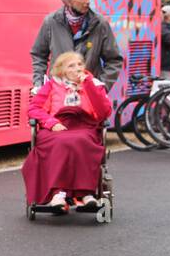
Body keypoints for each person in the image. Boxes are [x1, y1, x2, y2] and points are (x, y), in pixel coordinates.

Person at [22, 51, 112, 211]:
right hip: (57, 125)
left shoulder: (94, 84)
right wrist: (50, 122)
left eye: (80, 64)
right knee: (61, 142)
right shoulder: (51, 85)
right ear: (62, 70)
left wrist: (89, 85)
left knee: (81, 141)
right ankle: (58, 193)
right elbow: (34, 108)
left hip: (84, 125)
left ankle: (86, 194)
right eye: (72, 66)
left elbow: (104, 112)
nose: (78, 69)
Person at [30, 0, 123, 92]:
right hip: (58, 94)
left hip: (89, 96)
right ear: (68, 2)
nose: (88, 0)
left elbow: (114, 60)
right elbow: (39, 55)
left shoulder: (100, 23)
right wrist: (38, 83)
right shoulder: (51, 22)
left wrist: (101, 87)